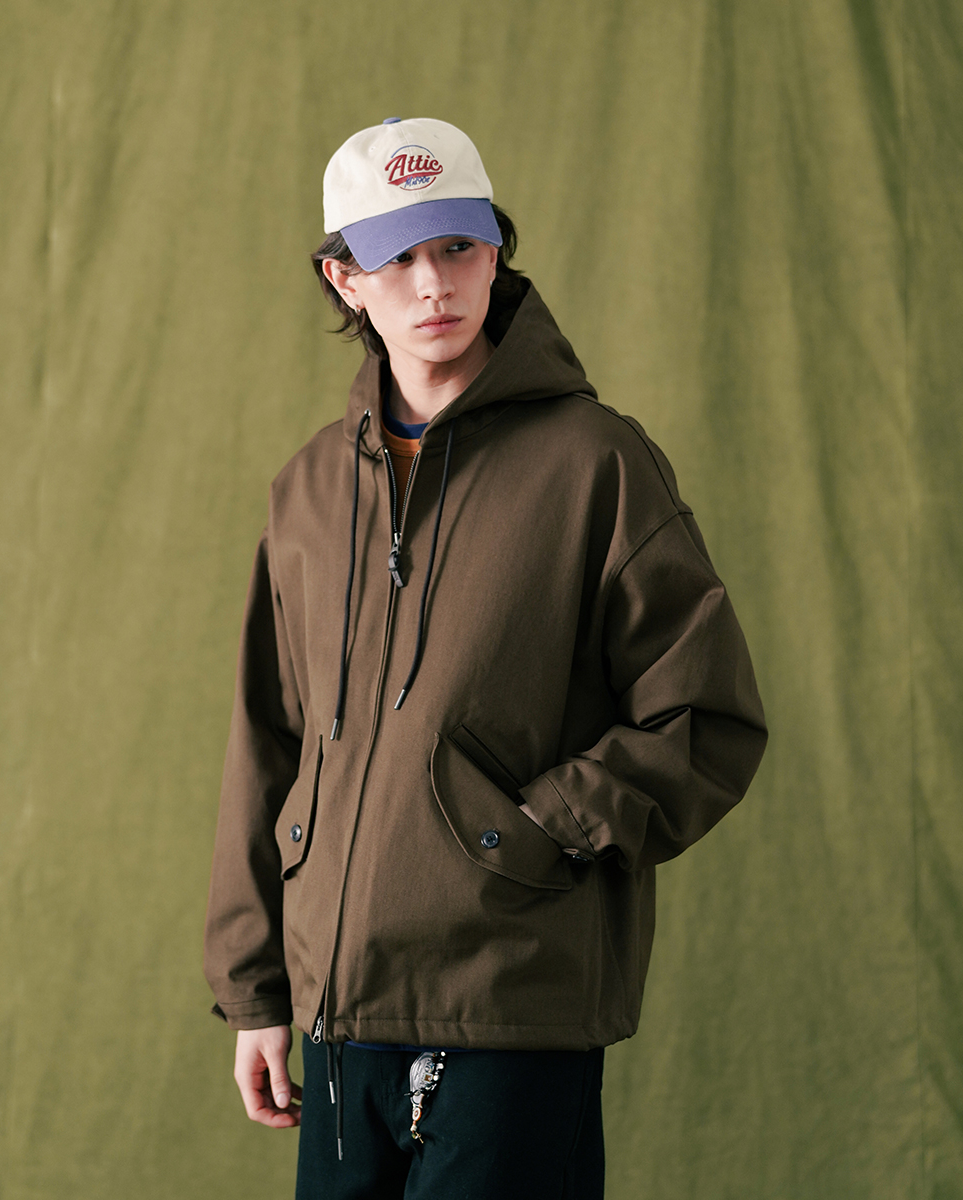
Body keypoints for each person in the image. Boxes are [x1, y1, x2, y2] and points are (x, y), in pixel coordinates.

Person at [203, 116, 767, 1199]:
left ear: (496, 251)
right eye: (398, 257)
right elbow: (267, 742)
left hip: (512, 1003)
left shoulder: (597, 463)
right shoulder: (310, 490)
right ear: (344, 280)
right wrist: (254, 990)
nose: (435, 284)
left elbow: (706, 717)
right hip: (337, 1020)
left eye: (458, 246)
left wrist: (533, 829)